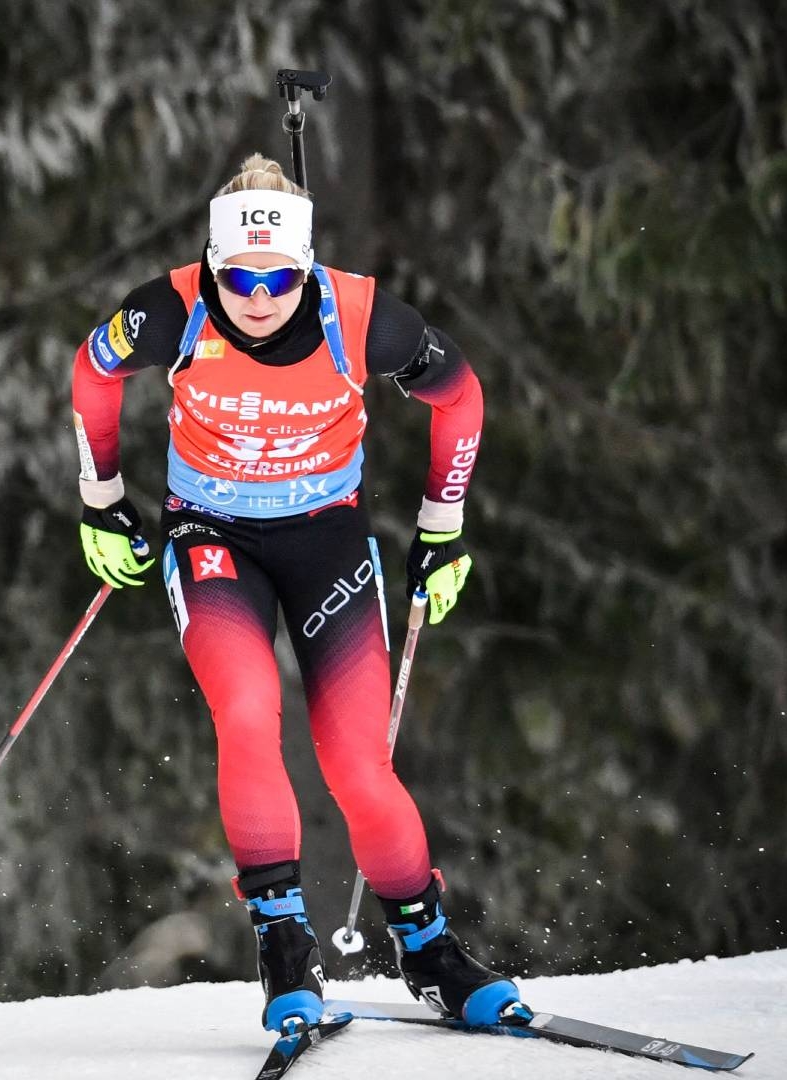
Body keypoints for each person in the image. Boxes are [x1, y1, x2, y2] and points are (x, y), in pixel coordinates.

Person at [70, 155, 516, 1031]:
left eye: (279, 277)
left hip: (327, 540)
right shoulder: (172, 308)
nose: (259, 294)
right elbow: (92, 373)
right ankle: (283, 942)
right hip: (211, 538)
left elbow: (459, 400)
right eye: (238, 275)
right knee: (247, 709)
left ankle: (428, 951)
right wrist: (102, 502)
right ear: (212, 263)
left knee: (356, 762)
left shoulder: (364, 319)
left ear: (305, 268)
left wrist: (443, 526)